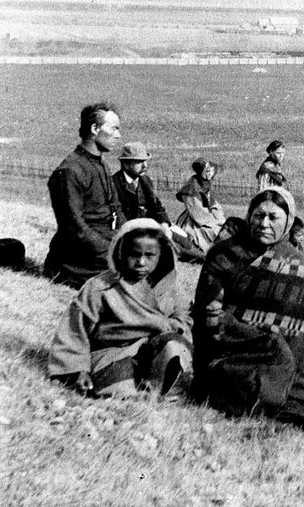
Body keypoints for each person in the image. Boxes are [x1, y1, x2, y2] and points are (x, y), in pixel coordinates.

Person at [191, 187, 304, 428]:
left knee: (298, 397)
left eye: (273, 218)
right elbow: (208, 316)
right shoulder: (223, 254)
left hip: (282, 359)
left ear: (288, 222)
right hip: (230, 348)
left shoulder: (298, 263)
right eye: (258, 216)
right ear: (249, 216)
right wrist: (256, 336)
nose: (264, 224)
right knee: (269, 362)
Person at [47, 218, 192, 398]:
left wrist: (167, 325)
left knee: (175, 346)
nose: (141, 262)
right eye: (134, 254)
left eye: (150, 255)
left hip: (151, 351)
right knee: (119, 385)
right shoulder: (99, 287)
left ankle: (155, 384)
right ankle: (132, 387)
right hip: (112, 354)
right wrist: (79, 369)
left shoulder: (168, 288)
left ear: (162, 254)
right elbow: (75, 329)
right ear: (121, 252)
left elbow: (183, 318)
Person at [44, 103, 125, 287]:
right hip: (77, 260)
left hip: (103, 246)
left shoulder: (102, 165)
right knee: (134, 273)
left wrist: (129, 238)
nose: (118, 135)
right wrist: (115, 251)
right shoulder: (70, 171)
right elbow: (76, 230)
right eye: (114, 128)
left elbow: (116, 210)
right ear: (95, 129)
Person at [174, 158, 225, 259]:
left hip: (208, 216)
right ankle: (204, 253)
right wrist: (212, 221)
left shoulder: (206, 184)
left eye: (211, 171)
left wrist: (218, 217)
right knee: (209, 232)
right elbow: (196, 212)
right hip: (195, 221)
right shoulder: (191, 188)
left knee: (222, 228)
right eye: (207, 171)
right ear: (200, 171)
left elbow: (213, 203)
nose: (210, 174)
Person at [110, 142, 170, 226]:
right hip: (128, 230)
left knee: (182, 238)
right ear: (126, 164)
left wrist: (164, 224)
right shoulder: (113, 183)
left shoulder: (146, 180)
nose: (145, 166)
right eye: (139, 162)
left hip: (149, 227)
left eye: (145, 161)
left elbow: (157, 206)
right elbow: (118, 213)